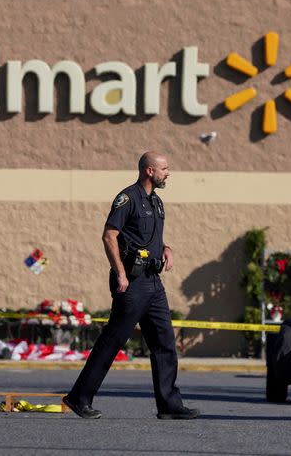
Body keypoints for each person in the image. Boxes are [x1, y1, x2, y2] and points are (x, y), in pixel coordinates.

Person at [64, 151, 200, 420]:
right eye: (164, 169)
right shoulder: (127, 198)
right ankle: (79, 398)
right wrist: (121, 273)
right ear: (149, 171)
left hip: (153, 283)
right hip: (132, 283)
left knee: (164, 343)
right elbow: (109, 235)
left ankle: (169, 405)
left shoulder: (157, 203)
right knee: (113, 341)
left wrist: (167, 248)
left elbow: (150, 239)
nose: (168, 173)